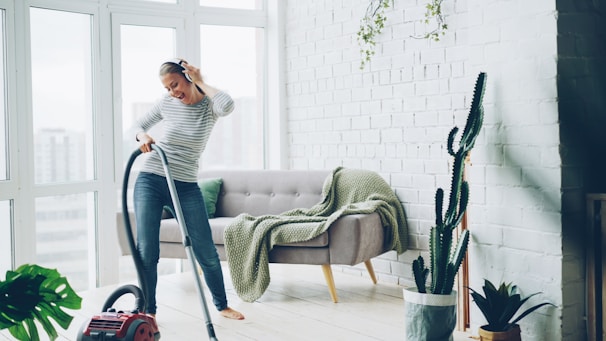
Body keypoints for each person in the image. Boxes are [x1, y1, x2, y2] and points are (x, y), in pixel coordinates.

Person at [133, 58, 244, 320]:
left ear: (187, 77)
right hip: (151, 178)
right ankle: (148, 312)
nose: (173, 92)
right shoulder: (167, 104)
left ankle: (222, 305)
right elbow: (137, 126)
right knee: (147, 250)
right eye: (168, 88)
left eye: (176, 84)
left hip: (185, 185)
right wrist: (143, 136)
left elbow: (227, 104)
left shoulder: (209, 107)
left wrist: (201, 80)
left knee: (204, 248)